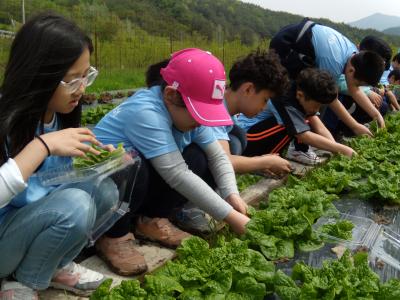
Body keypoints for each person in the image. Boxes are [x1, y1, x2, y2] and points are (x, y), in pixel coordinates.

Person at [93, 48, 250, 276]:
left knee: (198, 156)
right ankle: (114, 236)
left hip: (142, 186)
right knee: (130, 164)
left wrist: (232, 195)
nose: (201, 122)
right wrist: (232, 217)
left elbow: (218, 156)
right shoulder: (146, 113)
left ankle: (151, 220)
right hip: (103, 191)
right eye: (198, 113)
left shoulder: (186, 112)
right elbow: (177, 174)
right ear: (170, 95)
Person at [0, 13, 109, 299]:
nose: (82, 89)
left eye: (87, 76)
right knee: (76, 205)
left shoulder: (60, 114)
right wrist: (41, 146)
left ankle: (55, 266)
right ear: (39, 74)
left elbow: (52, 179)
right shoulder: (5, 120)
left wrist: (97, 161)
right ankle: (22, 283)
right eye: (73, 80)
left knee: (104, 191)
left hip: (26, 223)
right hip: (3, 241)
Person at [270, 18, 385, 135]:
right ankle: (300, 138)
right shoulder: (333, 62)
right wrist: (355, 126)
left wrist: (377, 115)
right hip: (287, 46)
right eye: (359, 84)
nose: (358, 87)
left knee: (318, 97)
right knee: (313, 95)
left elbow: (354, 90)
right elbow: (332, 98)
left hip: (303, 41)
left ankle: (312, 135)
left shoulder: (354, 55)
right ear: (351, 71)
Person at [238, 68, 355, 159]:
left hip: (257, 135)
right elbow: (304, 136)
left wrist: (335, 147)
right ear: (300, 95)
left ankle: (292, 152)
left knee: (304, 120)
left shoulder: (302, 93)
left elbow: (318, 125)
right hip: (246, 138)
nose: (316, 109)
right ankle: (263, 158)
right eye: (316, 105)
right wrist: (342, 149)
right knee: (292, 127)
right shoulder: (285, 98)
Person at [209, 50, 292, 177]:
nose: (264, 108)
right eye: (265, 100)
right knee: (236, 139)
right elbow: (223, 161)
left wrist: (255, 167)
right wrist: (264, 162)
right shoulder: (215, 111)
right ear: (248, 89)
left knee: (237, 136)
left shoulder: (228, 111)